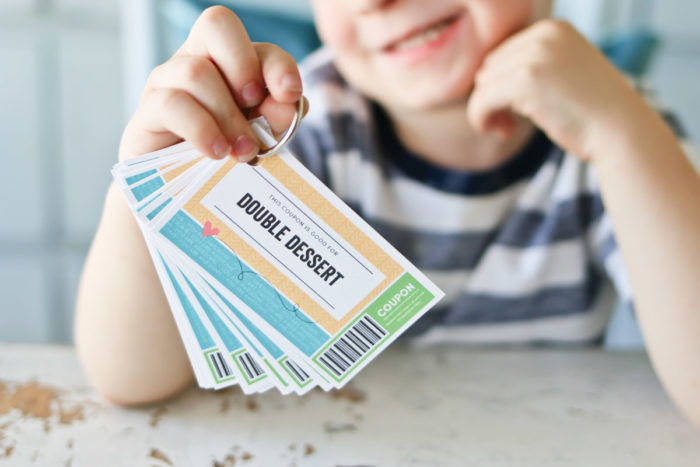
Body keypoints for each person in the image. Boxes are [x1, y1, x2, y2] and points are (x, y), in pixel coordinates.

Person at [75, 0, 700, 428]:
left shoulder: (620, 131)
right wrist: (151, 186)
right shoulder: (294, 135)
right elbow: (132, 380)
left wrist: (619, 133)